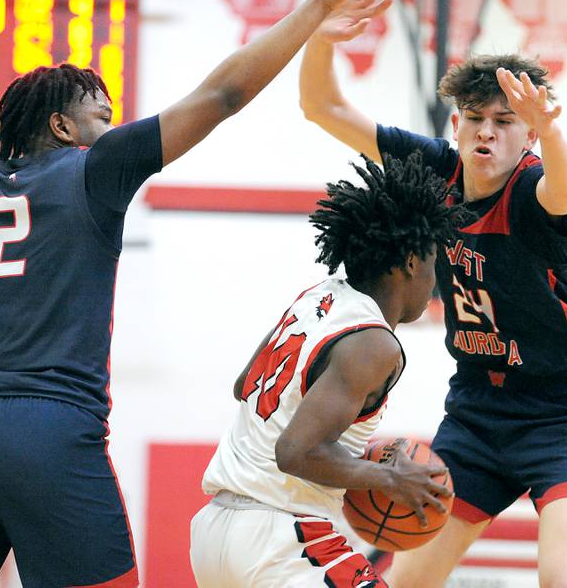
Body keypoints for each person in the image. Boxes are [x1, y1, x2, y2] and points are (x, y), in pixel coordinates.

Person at [0, 0, 365, 585]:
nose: (113, 129)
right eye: (101, 117)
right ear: (62, 126)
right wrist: (315, 6)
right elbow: (224, 93)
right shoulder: (95, 169)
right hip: (47, 426)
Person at [298, 0, 567, 588]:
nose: (486, 133)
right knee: (405, 581)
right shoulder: (433, 167)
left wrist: (551, 132)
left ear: (527, 138)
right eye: (475, 120)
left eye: (505, 122)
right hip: (476, 415)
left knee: (565, 580)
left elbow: (565, 188)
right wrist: (319, 36)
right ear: (456, 124)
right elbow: (323, 107)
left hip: (561, 413)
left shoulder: (534, 187)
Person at [190, 151, 468, 588]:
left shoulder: (318, 296)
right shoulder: (375, 342)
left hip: (214, 533)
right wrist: (388, 478)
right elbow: (295, 452)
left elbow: (246, 384)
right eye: (434, 262)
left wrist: (348, 451)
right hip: (281, 537)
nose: (434, 281)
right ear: (412, 261)